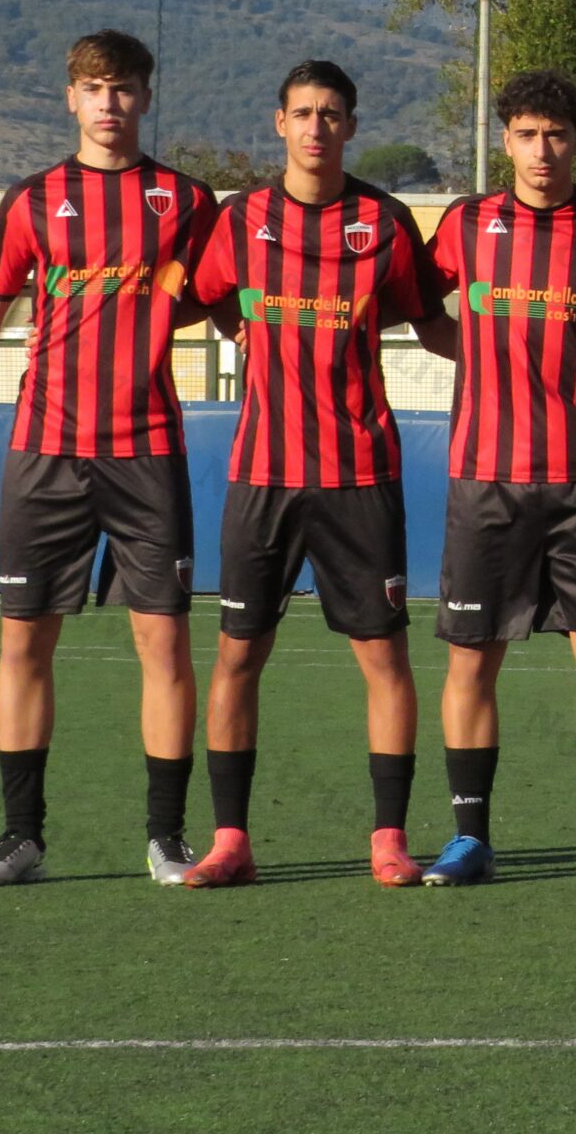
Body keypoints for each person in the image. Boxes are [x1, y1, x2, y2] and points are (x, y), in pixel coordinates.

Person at [0, 30, 219, 887]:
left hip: (147, 453)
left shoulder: (186, 201)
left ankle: (167, 838)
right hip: (45, 453)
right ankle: (21, 837)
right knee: (24, 646)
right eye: (94, 88)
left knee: (163, 646)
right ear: (70, 98)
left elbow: (221, 301)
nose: (109, 103)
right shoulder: (31, 200)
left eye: (124, 88)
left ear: (145, 98)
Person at [184, 60, 449, 890]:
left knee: (384, 660)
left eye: (331, 114)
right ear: (278, 123)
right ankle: (231, 840)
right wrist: (241, 331)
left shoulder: (385, 220)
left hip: (359, 474)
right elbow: (205, 295)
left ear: (351, 126)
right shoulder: (241, 221)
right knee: (236, 658)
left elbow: (429, 319)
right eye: (302, 113)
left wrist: (518, 355)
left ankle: (389, 839)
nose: (315, 128)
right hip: (262, 474)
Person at [418, 70, 576, 888]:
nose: (541, 150)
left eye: (556, 134)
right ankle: (469, 840)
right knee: (471, 664)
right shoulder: (467, 223)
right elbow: (425, 312)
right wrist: (483, 353)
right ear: (505, 140)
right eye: (526, 134)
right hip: (485, 479)